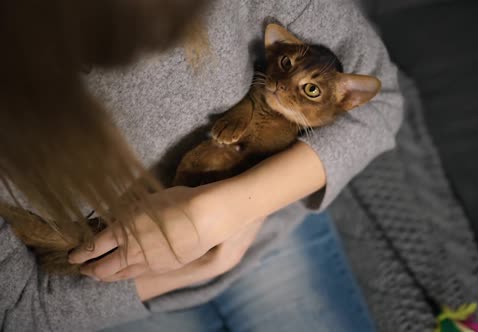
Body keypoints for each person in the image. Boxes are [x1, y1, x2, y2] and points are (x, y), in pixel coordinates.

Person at [0, 0, 403, 330]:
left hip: (267, 237)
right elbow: (17, 313)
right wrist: (199, 266)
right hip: (112, 294)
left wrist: (233, 208)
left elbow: (381, 106)